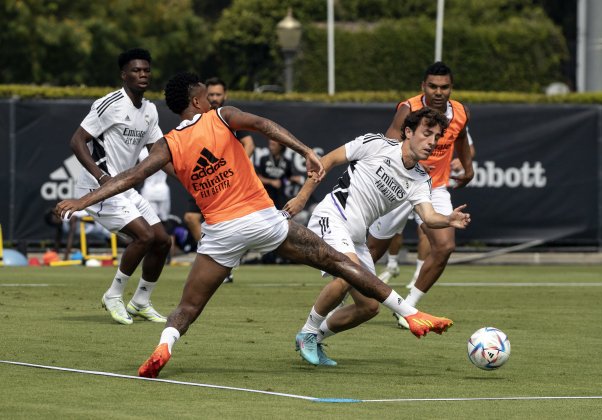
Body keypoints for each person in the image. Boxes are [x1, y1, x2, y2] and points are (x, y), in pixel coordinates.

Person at [55, 71, 441, 378]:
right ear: (196, 101)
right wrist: (306, 150)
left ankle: (165, 345)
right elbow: (265, 125)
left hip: (220, 233)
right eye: (207, 95)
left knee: (187, 308)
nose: (213, 100)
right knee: (338, 262)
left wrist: (81, 201)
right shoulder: (221, 117)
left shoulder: (167, 144)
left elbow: (126, 177)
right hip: (261, 220)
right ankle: (409, 312)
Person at [285, 108, 471, 366]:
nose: (432, 143)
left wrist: (448, 219)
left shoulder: (420, 179)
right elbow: (326, 160)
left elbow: (428, 217)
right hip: (333, 215)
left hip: (358, 238)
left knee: (369, 307)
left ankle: (315, 336)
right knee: (346, 274)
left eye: (437, 137)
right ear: (408, 132)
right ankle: (307, 330)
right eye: (427, 134)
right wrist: (302, 197)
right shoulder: (376, 144)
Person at [367, 61, 474, 329]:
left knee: (445, 246)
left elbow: (460, 138)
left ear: (451, 88)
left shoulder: (460, 112)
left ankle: (408, 308)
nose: (439, 92)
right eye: (433, 86)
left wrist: (468, 169)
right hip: (400, 184)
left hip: (433, 187)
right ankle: (343, 289)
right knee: (371, 251)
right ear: (423, 86)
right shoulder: (409, 108)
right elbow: (388, 144)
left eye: (445, 87)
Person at [69, 48, 171, 325]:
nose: (142, 75)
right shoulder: (109, 103)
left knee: (162, 241)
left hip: (125, 189)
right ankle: (113, 295)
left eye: (146, 70)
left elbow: (158, 155)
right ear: (123, 75)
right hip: (97, 188)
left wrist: (191, 179)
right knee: (144, 237)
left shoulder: (149, 110)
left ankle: (140, 301)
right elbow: (77, 141)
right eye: (136, 70)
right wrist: (102, 177)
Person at [378, 130, 476, 288]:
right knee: (388, 235)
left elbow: (469, 147)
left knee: (430, 233)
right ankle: (391, 264)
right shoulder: (411, 112)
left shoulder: (458, 118)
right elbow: (393, 144)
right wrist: (411, 159)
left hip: (433, 186)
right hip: (402, 181)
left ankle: (418, 274)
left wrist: (463, 162)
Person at [183, 77, 255, 281]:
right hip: (204, 176)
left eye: (218, 95)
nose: (214, 98)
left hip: (226, 179)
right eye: (210, 95)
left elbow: (249, 144)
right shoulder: (197, 116)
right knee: (191, 218)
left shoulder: (228, 116)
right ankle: (218, 264)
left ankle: (220, 266)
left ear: (225, 96)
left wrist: (236, 166)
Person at [139, 147, 171, 222]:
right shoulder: (165, 151)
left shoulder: (141, 153)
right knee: (160, 220)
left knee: (153, 221)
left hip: (150, 191)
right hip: (161, 191)